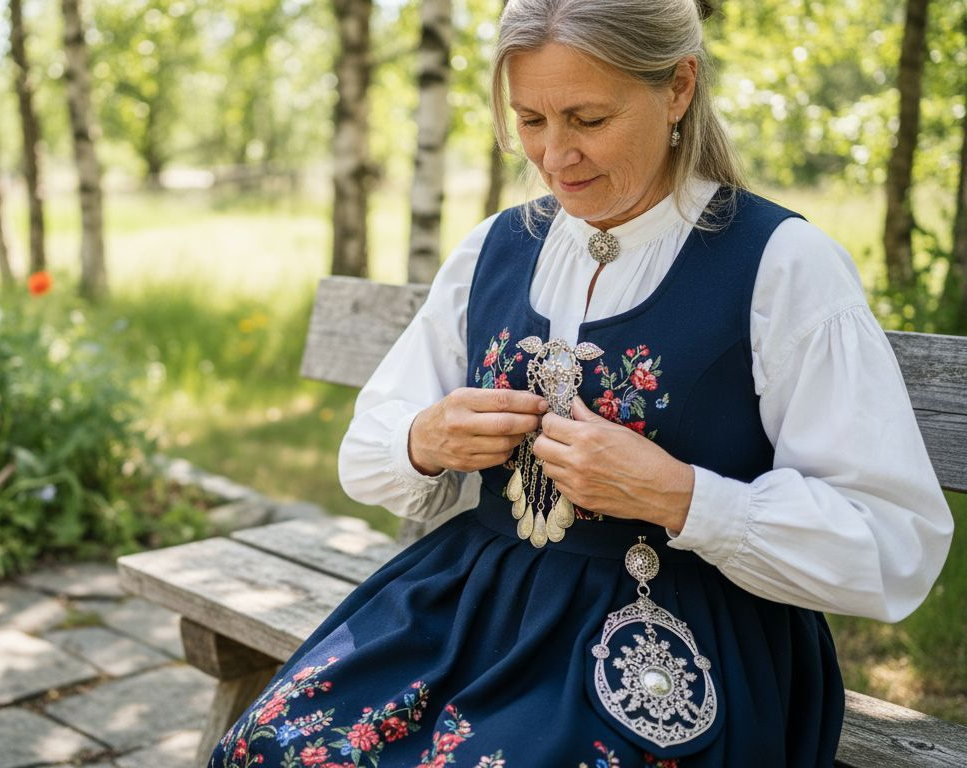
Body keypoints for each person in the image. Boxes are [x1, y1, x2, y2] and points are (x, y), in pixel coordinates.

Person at [208, 0, 954, 764]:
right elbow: (370, 448)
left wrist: (682, 497)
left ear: (678, 88)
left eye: (587, 119)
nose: (555, 154)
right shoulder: (495, 248)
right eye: (530, 120)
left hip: (676, 640)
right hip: (479, 613)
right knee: (273, 746)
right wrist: (425, 440)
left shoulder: (783, 265)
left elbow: (892, 543)